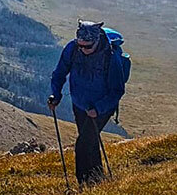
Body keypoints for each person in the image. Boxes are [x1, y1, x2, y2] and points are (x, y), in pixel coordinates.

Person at [48, 21, 126, 185]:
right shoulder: (73, 49)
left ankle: (84, 183)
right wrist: (56, 94)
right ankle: (98, 179)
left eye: (87, 46)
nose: (83, 49)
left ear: (96, 41)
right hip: (80, 105)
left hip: (101, 108)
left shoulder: (110, 57)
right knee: (90, 141)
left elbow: (117, 90)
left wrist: (98, 108)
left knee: (83, 145)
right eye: (80, 45)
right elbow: (60, 72)